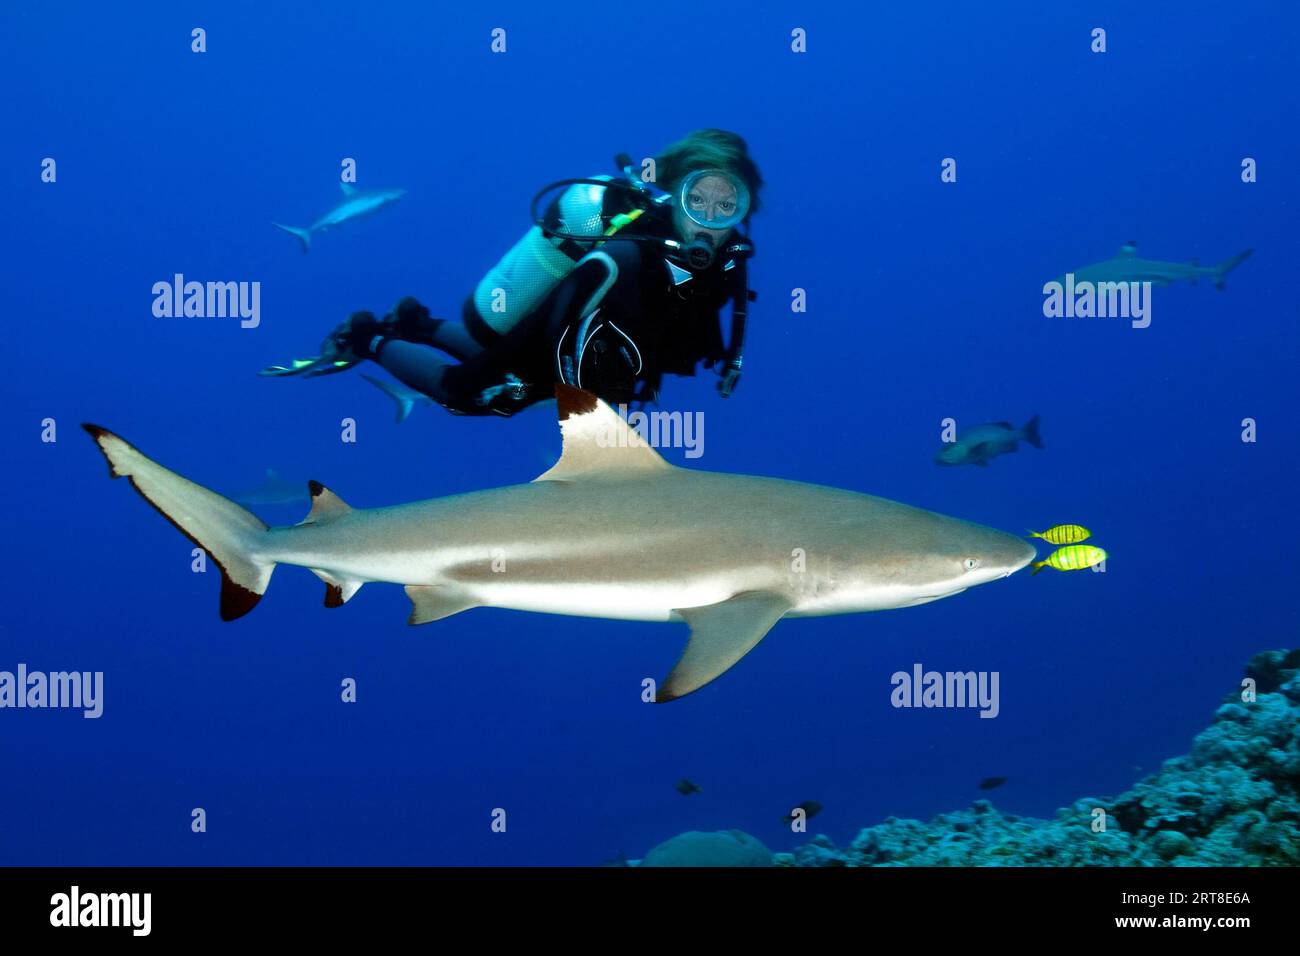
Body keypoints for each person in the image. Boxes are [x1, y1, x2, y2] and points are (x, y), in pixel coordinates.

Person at [264, 129, 764, 416]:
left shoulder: (726, 263)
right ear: (671, 195)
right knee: (472, 395)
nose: (708, 218)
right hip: (552, 339)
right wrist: (587, 418)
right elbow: (542, 336)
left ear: (745, 208)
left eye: (727, 204)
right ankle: (367, 337)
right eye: (696, 199)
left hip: (579, 356)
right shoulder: (623, 258)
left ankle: (417, 324)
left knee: (518, 373)